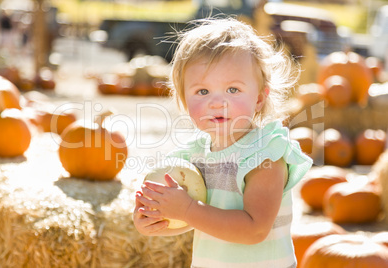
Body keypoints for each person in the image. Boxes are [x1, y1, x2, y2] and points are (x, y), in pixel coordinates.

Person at [133, 17, 313, 268]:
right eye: (202, 92)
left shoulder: (264, 154)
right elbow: (200, 219)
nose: (217, 103)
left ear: (260, 98)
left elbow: (254, 230)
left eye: (232, 90)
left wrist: (186, 210)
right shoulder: (196, 155)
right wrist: (158, 220)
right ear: (185, 100)